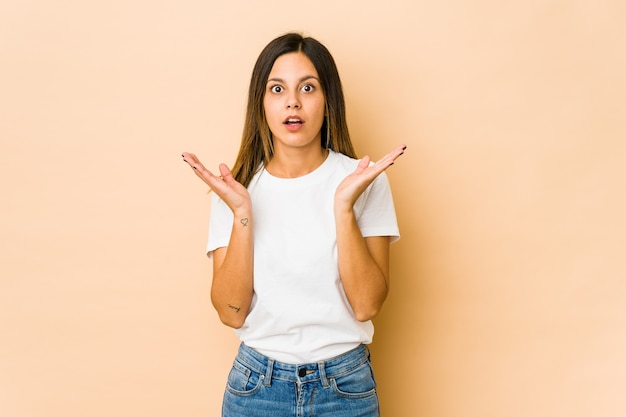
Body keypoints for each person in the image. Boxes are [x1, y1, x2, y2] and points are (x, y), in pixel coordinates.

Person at [182, 32, 405, 417]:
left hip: (345, 387)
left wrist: (343, 208)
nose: (292, 102)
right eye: (277, 88)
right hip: (257, 388)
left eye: (307, 87)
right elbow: (231, 312)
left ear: (327, 100)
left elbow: (367, 305)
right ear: (261, 103)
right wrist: (242, 214)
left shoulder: (363, 179)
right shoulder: (236, 191)